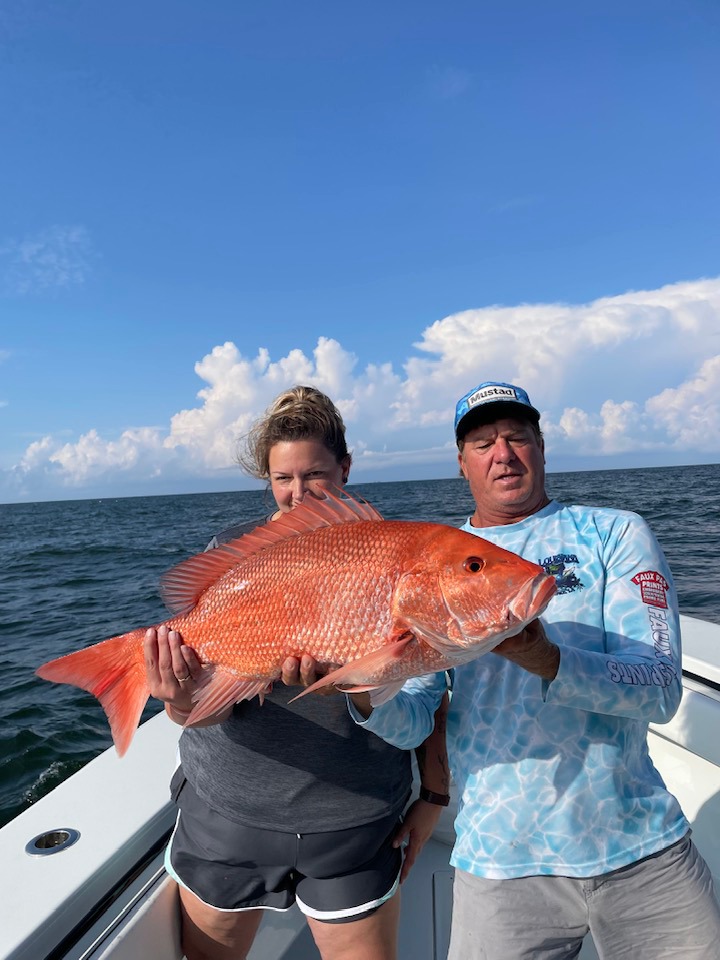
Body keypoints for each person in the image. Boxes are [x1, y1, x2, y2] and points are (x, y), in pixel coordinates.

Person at [348, 380, 720, 959]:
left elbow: (661, 688)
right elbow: (415, 722)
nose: (503, 452)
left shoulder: (614, 534)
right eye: (482, 442)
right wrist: (365, 694)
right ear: (462, 464)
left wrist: (548, 660)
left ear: (541, 447)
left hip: (640, 846)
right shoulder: (431, 561)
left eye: (517, 436)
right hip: (499, 859)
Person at [143, 385, 450, 960]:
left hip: (352, 821)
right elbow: (193, 713)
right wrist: (175, 698)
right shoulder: (236, 560)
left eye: (314, 476)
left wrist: (433, 792)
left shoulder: (389, 551)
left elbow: (429, 695)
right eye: (282, 479)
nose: (297, 494)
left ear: (346, 467)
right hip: (228, 813)